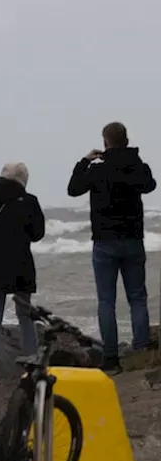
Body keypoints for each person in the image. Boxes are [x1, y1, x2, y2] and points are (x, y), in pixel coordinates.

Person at [67, 122, 158, 373]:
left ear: (105, 142)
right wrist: (136, 161)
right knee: (137, 297)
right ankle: (140, 350)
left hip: (105, 241)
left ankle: (110, 359)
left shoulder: (98, 169)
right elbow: (150, 185)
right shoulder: (137, 166)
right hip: (132, 240)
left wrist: (85, 161)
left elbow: (73, 189)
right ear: (126, 140)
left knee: (106, 301)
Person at [0, 162, 45, 388]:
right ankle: (32, 365)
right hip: (21, 263)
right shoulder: (29, 202)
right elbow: (38, 233)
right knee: (25, 315)